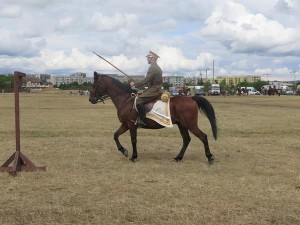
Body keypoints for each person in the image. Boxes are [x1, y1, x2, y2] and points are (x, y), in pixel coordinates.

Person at [130, 51, 162, 126]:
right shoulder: (155, 67)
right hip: (152, 87)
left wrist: (135, 84)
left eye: (148, 58)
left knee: (138, 101)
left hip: (155, 89)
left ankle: (142, 120)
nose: (147, 59)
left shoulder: (153, 67)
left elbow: (146, 80)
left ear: (153, 58)